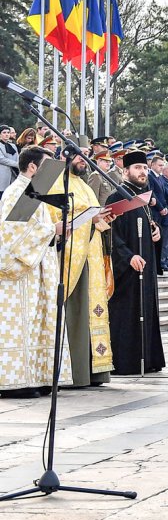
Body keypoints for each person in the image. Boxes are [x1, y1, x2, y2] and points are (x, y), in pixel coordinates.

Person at [0, 145, 71, 398]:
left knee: (39, 322)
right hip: (21, 274)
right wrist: (54, 229)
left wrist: (54, 231)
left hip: (38, 270)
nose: (50, 174)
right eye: (46, 167)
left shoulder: (33, 192)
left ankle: (39, 377)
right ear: (32, 167)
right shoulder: (17, 192)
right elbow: (13, 235)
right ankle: (18, 382)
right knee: (25, 322)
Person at [53, 150, 115, 388]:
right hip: (70, 256)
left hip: (90, 252)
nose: (83, 160)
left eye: (86, 156)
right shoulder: (56, 181)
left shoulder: (86, 187)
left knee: (91, 309)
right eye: (79, 155)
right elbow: (53, 217)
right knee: (76, 310)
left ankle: (93, 372)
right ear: (65, 156)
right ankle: (75, 371)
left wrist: (104, 217)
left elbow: (92, 218)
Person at [104, 149, 166, 375]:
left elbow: (147, 224)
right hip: (128, 267)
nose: (143, 172)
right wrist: (128, 256)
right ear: (125, 171)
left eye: (145, 168)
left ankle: (147, 358)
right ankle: (127, 361)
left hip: (145, 263)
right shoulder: (117, 196)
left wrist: (156, 231)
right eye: (138, 168)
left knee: (147, 308)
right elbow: (110, 233)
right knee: (128, 311)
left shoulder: (141, 197)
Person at [0, 125, 18, 192]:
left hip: (13, 174)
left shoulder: (13, 146)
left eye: (8, 132)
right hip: (2, 174)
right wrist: (16, 164)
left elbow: (17, 157)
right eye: (4, 133)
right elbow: (2, 159)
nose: (7, 134)